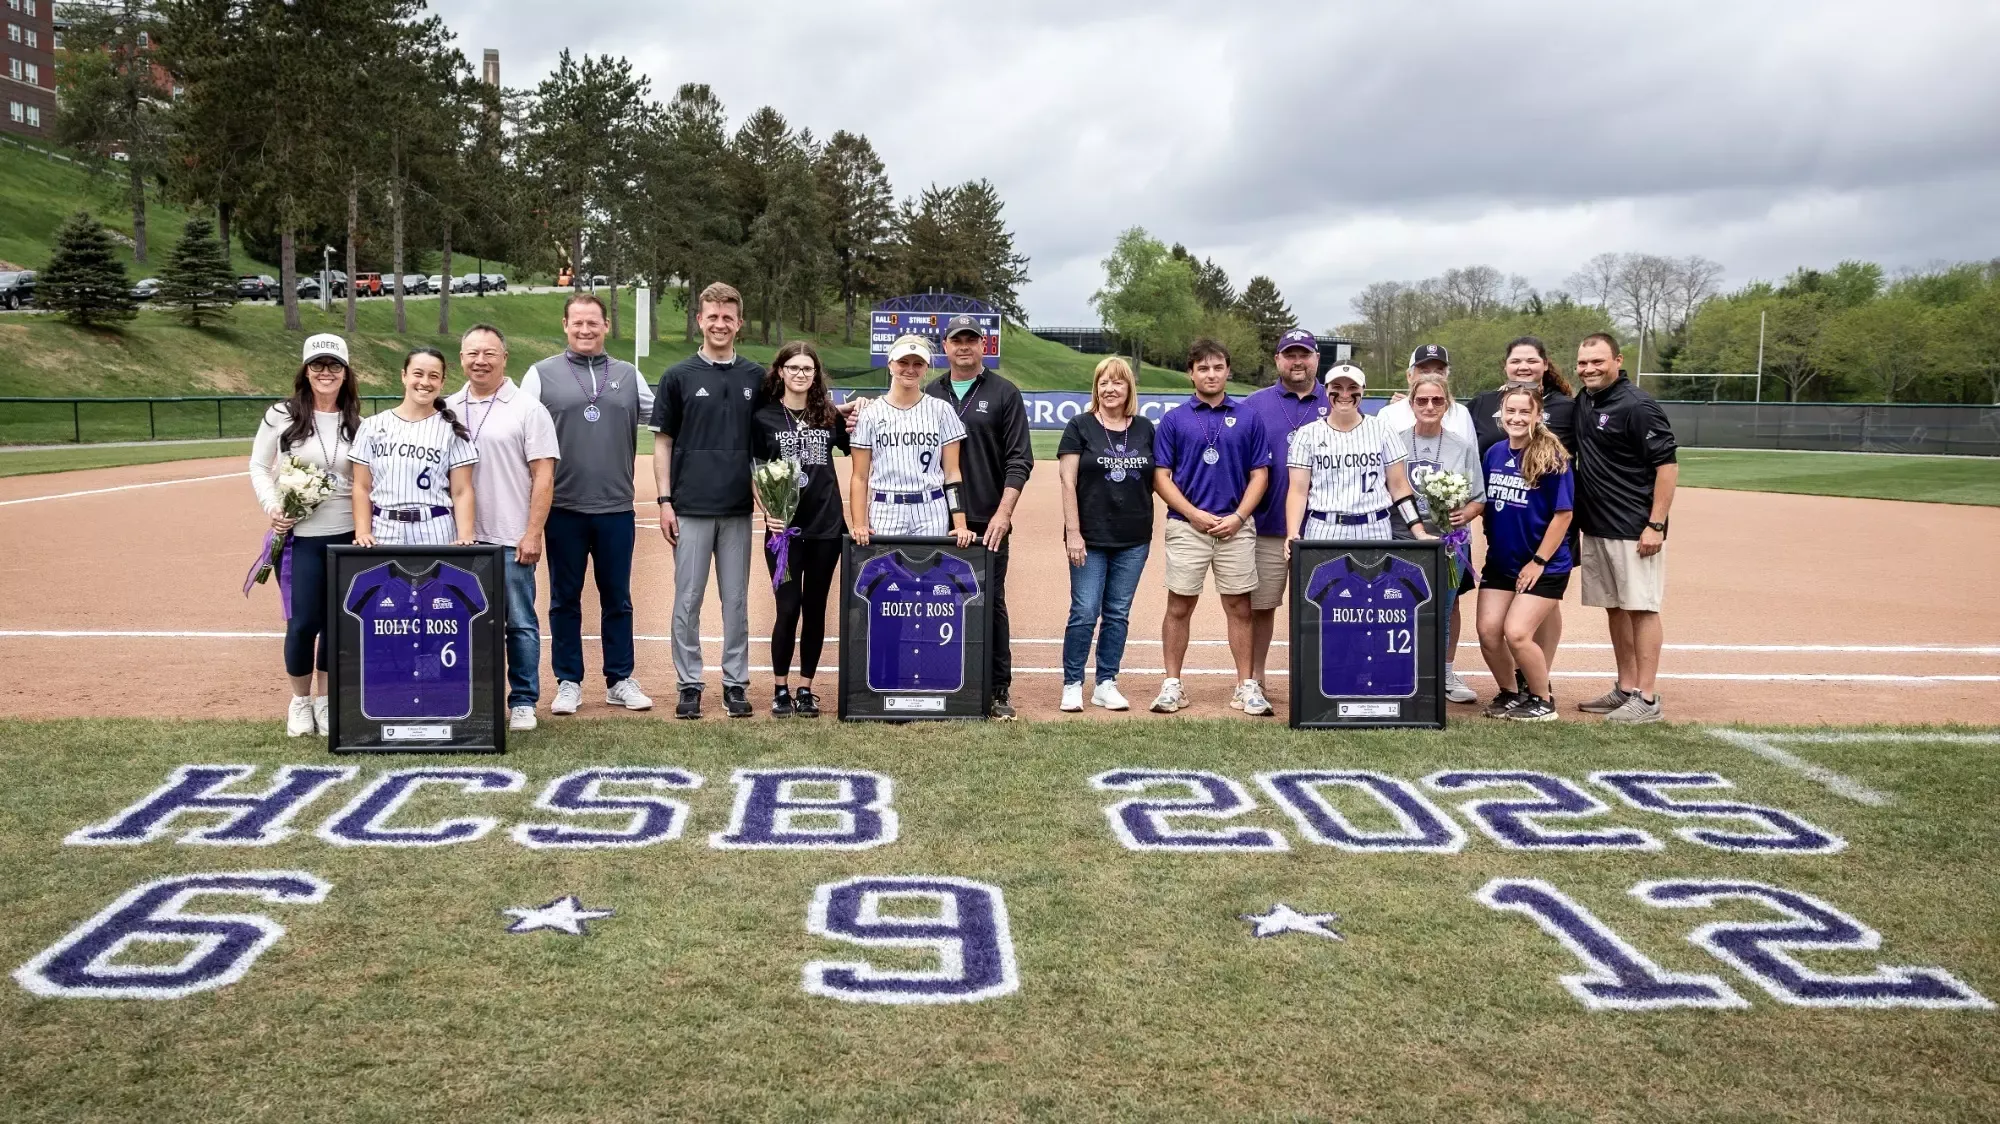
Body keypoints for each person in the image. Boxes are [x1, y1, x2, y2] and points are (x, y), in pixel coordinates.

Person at [521, 293, 655, 717]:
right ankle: (568, 681)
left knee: (618, 597)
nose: (585, 330)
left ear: (605, 327)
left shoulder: (629, 375)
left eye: (592, 323)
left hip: (616, 507)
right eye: (577, 323)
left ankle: (619, 679)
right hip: (563, 508)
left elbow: (669, 416)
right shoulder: (540, 375)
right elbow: (515, 426)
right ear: (565, 325)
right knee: (564, 598)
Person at [651, 282, 764, 720]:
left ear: (739, 323)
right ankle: (690, 683)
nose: (720, 324)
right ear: (700, 320)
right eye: (711, 316)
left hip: (737, 508)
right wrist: (664, 500)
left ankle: (735, 683)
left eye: (727, 317)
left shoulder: (756, 376)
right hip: (691, 507)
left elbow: (782, 423)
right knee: (688, 599)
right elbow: (662, 443)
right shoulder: (678, 376)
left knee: (735, 601)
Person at [447, 323, 558, 732]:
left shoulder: (528, 408)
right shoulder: (445, 407)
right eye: (472, 352)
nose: (480, 360)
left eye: (489, 353)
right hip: (458, 538)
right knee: (458, 621)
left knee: (519, 622)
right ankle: (470, 695)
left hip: (510, 536)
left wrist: (532, 533)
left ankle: (524, 699)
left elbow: (543, 476)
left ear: (504, 357)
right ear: (461, 358)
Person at [1150, 338, 1270, 716]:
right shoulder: (1174, 419)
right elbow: (1161, 477)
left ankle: (1245, 686)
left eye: (1217, 367)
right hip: (1188, 527)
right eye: (1203, 368)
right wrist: (1192, 514)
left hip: (1235, 526)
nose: (1211, 374)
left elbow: (1260, 474)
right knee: (1180, 605)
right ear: (1191, 373)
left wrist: (1237, 517)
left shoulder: (1249, 417)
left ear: (1228, 371)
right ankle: (1173, 684)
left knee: (1240, 605)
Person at [924, 314, 1033, 720]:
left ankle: (997, 687)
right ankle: (941, 680)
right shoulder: (929, 392)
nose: (964, 346)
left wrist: (1004, 515)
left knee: (990, 602)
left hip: (988, 519)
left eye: (972, 339)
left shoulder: (1004, 393)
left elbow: (1020, 460)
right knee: (937, 599)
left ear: (984, 346)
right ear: (946, 346)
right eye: (957, 340)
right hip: (936, 518)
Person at [249, 333, 359, 737]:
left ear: (345, 373)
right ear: (305, 370)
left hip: (346, 536)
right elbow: (259, 466)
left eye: (333, 366)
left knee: (337, 624)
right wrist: (274, 507)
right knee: (302, 623)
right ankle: (299, 702)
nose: (325, 373)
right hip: (301, 538)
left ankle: (326, 702)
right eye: (317, 365)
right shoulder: (281, 415)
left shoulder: (356, 423)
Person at [1572, 332, 1678, 723]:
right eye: (1583, 363)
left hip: (1634, 528)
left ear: (1617, 360)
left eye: (1597, 361)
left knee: (1642, 609)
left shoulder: (1638, 406)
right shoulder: (1585, 399)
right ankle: (1626, 688)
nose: (1589, 369)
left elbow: (1667, 465)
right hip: (1598, 526)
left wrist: (1656, 524)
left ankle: (1647, 699)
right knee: (1616, 610)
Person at [1468, 336, 1578, 704]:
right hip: (1502, 561)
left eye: (1524, 413)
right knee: (1487, 631)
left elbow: (1564, 515)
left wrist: (1539, 562)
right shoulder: (1495, 453)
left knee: (1517, 633)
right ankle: (1510, 693)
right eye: (1510, 413)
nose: (1516, 418)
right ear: (1501, 414)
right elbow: (1482, 502)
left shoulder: (1551, 456)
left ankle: (1542, 698)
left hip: (1542, 563)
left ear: (1537, 416)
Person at [751, 340, 849, 719]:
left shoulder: (828, 416)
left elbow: (856, 446)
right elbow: (753, 471)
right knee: (788, 608)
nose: (800, 374)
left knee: (816, 608)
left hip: (826, 527)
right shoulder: (764, 418)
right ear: (780, 371)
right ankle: (780, 688)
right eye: (793, 368)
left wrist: (862, 409)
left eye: (807, 369)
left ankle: (806, 688)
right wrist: (766, 511)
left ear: (815, 375)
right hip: (784, 532)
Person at [1237, 328, 1328, 713]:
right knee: (1262, 606)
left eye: (1304, 354)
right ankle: (1253, 680)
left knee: (1329, 608)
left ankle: (1328, 678)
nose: (1297, 362)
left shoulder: (1337, 399)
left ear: (1316, 359)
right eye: (1289, 355)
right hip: (1267, 527)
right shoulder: (1255, 404)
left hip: (1326, 529)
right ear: (1277, 360)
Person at [1056, 356, 1155, 712]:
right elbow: (1068, 480)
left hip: (1134, 537)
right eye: (1103, 382)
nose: (1110, 389)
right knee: (1084, 610)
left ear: (1129, 388)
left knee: (1117, 613)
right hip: (1090, 536)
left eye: (1118, 382)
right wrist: (1073, 532)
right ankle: (1072, 684)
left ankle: (1106, 682)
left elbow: (1158, 478)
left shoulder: (1144, 428)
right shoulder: (1079, 425)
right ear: (1095, 388)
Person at [1399, 367, 1487, 705]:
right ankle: (1402, 670)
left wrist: (1465, 513)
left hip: (1449, 542)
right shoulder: (1396, 442)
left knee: (1446, 607)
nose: (1430, 405)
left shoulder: (1461, 445)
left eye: (1437, 400)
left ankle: (1444, 671)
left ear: (1447, 404)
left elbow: (1478, 496)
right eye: (1422, 400)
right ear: (1412, 403)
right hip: (1403, 538)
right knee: (1402, 605)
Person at [850, 335, 977, 550]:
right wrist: (859, 524)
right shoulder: (869, 414)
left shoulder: (941, 410)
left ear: (926, 367)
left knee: (929, 576)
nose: (910, 369)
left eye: (918, 363)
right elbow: (860, 476)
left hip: (931, 509)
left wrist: (960, 524)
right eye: (903, 362)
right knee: (886, 578)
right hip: (886, 509)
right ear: (890, 364)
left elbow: (952, 474)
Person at [1284, 364, 1429, 546]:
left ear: (1363, 390)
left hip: (1375, 527)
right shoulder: (1307, 434)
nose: (1345, 394)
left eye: (1353, 387)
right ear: (1326, 389)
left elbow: (1399, 487)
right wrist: (1293, 533)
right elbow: (1298, 491)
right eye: (1337, 387)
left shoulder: (1382, 428)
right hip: (1325, 528)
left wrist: (1419, 531)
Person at [1471, 336, 1577, 456]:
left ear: (1545, 364)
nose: (1523, 367)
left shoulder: (1567, 407)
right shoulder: (1483, 403)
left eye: (1532, 361)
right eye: (1515, 361)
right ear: (1505, 366)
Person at [1377, 343, 1477, 444]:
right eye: (1424, 372)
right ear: (1409, 376)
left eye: (1439, 372)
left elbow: (1471, 457)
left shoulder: (1460, 413)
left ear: (1446, 377)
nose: (1432, 378)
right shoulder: (1389, 415)